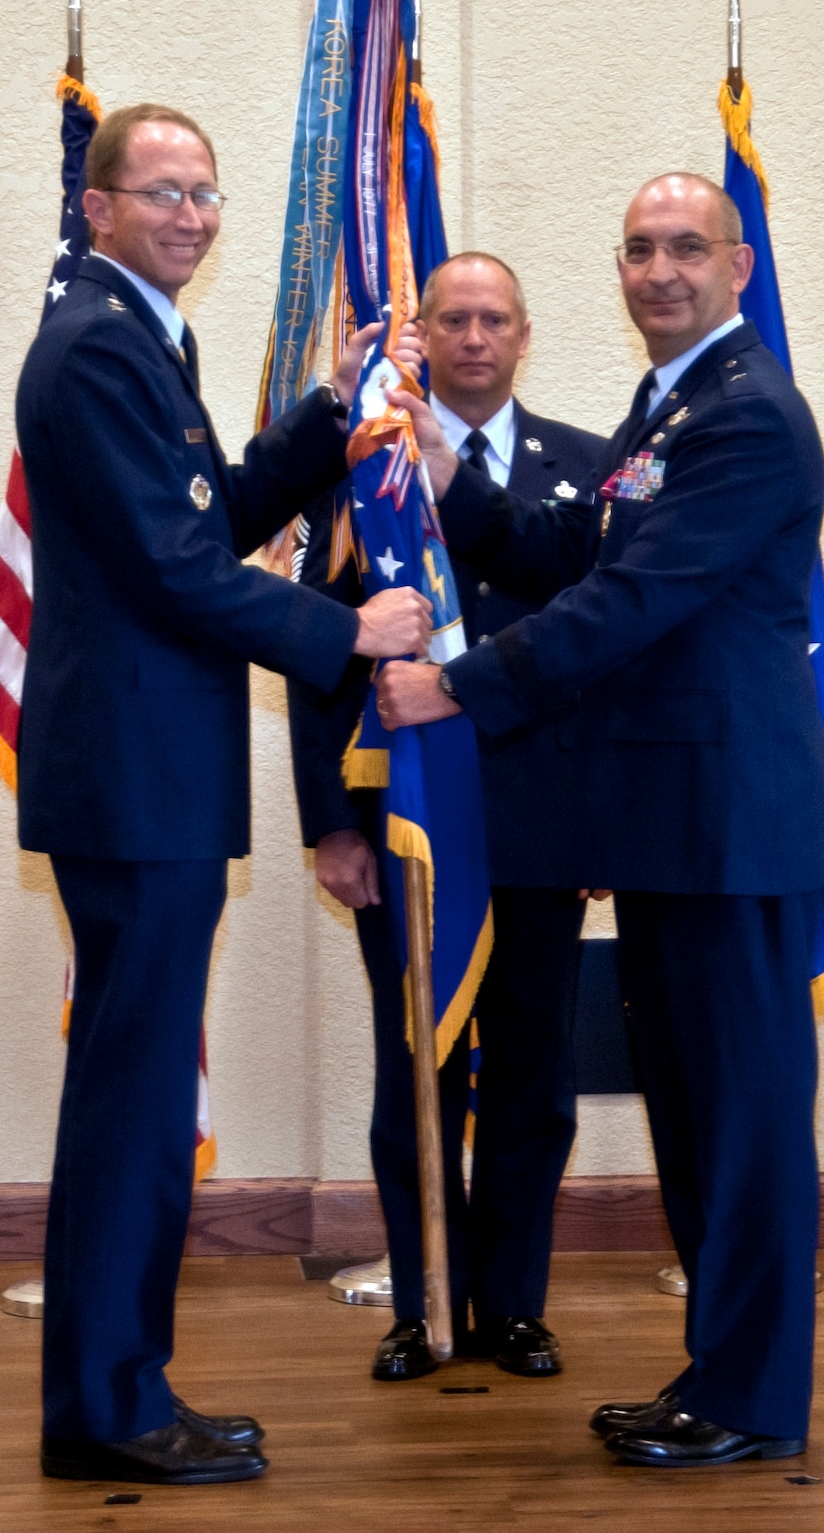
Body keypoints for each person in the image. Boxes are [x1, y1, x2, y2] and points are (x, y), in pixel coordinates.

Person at [377, 174, 824, 1468]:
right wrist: (441, 483)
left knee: (744, 1120)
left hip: (732, 825)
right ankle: (719, 1374)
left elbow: (626, 604)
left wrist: (452, 687)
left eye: (687, 247)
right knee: (696, 1115)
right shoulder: (671, 407)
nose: (659, 269)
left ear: (738, 265)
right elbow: (561, 546)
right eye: (638, 248)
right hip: (670, 827)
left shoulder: (747, 415)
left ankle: (750, 1394)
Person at [14, 102, 430, 1486]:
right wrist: (344, 634)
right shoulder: (94, 348)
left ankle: (119, 1387)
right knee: (131, 1100)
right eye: (163, 191)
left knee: (131, 1095)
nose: (192, 213)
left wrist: (333, 412)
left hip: (148, 775)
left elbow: (206, 518)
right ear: (98, 205)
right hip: (134, 781)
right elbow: (173, 574)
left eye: (208, 192)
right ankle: (109, 1406)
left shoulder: (138, 336)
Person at [286, 252, 607, 1380]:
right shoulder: (365, 474)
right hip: (406, 828)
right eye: (451, 319)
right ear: (419, 334)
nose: (472, 338)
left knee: (530, 1077)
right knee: (414, 1068)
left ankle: (511, 1305)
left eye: (493, 320)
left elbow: (609, 653)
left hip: (540, 824)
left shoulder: (589, 470)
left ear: (525, 336)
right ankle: (423, 1308)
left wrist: (603, 820)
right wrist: (329, 822)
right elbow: (321, 656)